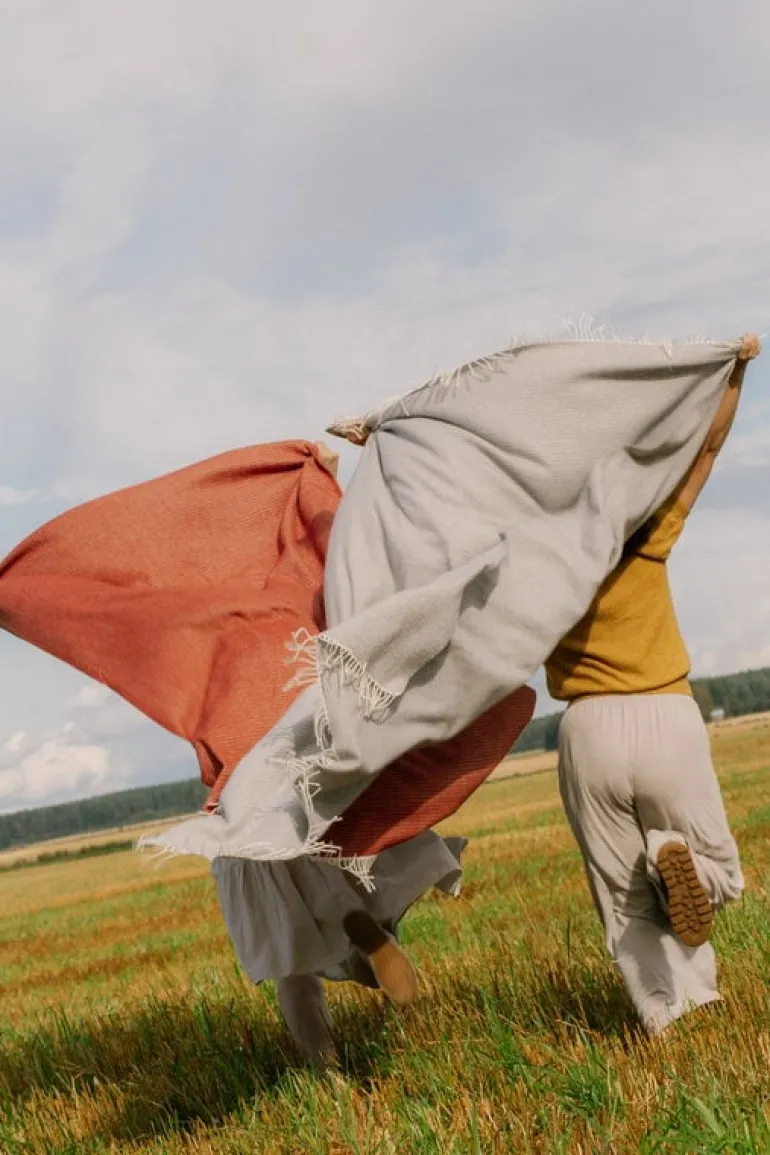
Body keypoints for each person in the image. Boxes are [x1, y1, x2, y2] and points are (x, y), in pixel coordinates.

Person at [545, 333, 761, 1035]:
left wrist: (380, 439)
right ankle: (686, 866)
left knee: (623, 900)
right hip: (666, 714)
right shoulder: (645, 532)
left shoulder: (532, 565)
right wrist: (734, 370)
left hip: (589, 731)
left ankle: (668, 1013)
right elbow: (705, 450)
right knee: (720, 869)